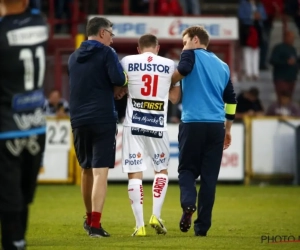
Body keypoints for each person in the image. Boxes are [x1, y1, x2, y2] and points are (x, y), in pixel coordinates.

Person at [171, 26, 237, 236]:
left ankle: (188, 203)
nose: (183, 46)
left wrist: (168, 81)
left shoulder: (189, 55)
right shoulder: (223, 65)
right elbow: (231, 101)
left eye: (185, 42)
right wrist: (227, 128)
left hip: (192, 123)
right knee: (209, 179)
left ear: (195, 39)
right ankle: (202, 228)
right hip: (216, 126)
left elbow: (185, 70)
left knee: (187, 170)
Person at [68, 17, 127, 238]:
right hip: (102, 117)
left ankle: (88, 218)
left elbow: (85, 85)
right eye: (111, 34)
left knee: (85, 170)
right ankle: (95, 225)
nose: (112, 39)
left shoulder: (74, 57)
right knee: (100, 172)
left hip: (78, 119)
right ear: (102, 33)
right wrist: (120, 88)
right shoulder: (107, 53)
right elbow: (119, 78)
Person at [119, 34, 180, 236]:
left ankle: (139, 225)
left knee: (134, 174)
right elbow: (173, 98)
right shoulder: (169, 64)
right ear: (158, 47)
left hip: (133, 125)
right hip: (157, 125)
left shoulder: (127, 61)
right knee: (161, 170)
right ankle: (156, 215)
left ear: (138, 48)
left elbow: (119, 90)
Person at [0, 0, 48, 249]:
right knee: (23, 199)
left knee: (9, 201)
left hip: (6, 129)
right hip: (36, 127)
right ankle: (19, 241)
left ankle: (14, 243)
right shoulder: (41, 23)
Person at [269, 30, 299, 99]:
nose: (292, 40)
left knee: (289, 98)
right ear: (285, 37)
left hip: (291, 77)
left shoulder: (293, 49)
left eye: (293, 38)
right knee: (282, 97)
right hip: (281, 77)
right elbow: (272, 60)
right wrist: (286, 62)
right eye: (291, 37)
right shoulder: (278, 48)